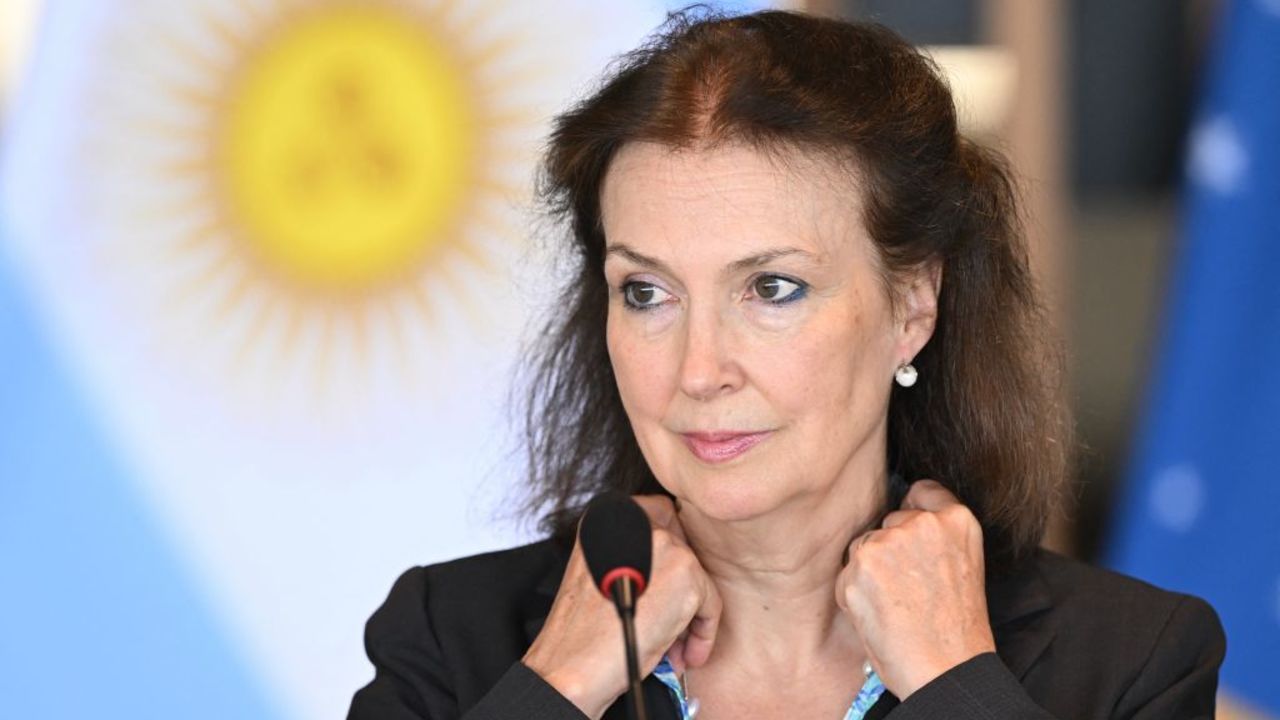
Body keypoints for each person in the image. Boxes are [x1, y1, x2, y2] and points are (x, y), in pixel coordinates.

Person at [348, 9, 1224, 720]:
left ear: (913, 307)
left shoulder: (1128, 663)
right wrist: (556, 687)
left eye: (771, 288)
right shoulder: (452, 642)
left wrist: (960, 686)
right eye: (647, 293)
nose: (699, 371)